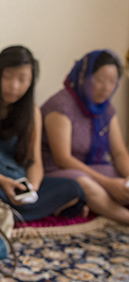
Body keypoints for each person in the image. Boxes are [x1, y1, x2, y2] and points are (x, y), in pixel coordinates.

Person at [0, 45, 86, 221]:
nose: (14, 86)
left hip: (17, 181)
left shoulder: (32, 112)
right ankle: (20, 212)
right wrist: (1, 181)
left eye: (22, 80)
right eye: (7, 77)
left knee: (74, 188)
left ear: (31, 82)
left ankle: (9, 210)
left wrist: (31, 190)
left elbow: (34, 162)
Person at [41, 50, 129, 224]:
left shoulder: (107, 110)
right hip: (56, 170)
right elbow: (63, 159)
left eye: (112, 82)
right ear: (83, 77)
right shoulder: (61, 106)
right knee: (85, 184)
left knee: (120, 175)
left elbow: (119, 152)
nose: (106, 88)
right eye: (100, 80)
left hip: (91, 168)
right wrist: (109, 184)